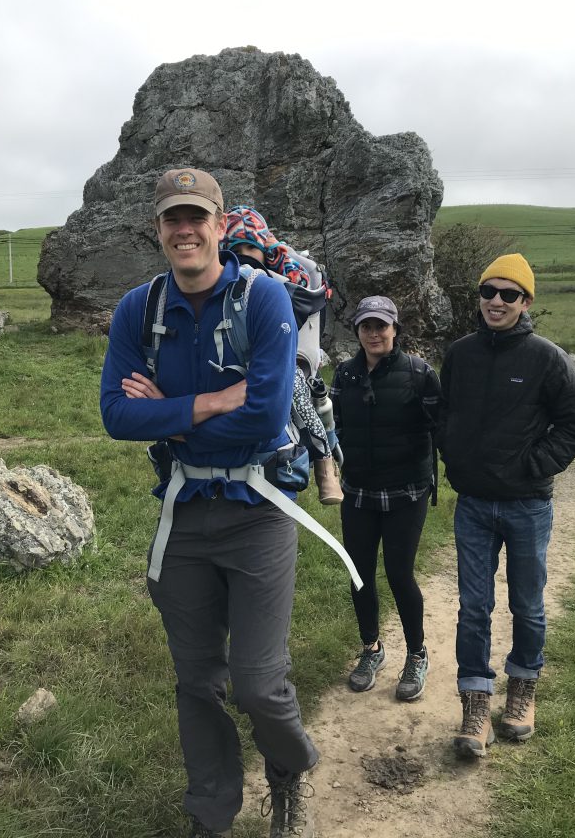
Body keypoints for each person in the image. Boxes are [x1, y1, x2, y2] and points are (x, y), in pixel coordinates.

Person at [100, 168, 318, 838]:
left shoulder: (264, 299)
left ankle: (289, 772)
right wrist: (207, 404)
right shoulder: (139, 309)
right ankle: (211, 816)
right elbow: (114, 414)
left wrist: (164, 413)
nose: (185, 230)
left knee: (258, 684)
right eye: (173, 219)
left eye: (198, 217)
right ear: (159, 229)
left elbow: (262, 421)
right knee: (197, 682)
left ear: (221, 225)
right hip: (184, 513)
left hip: (258, 511)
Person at [438, 253, 575, 758]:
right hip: (474, 504)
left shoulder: (548, 358)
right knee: (473, 608)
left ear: (526, 302)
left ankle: (522, 691)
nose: (496, 302)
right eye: (489, 292)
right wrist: (454, 457)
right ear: (479, 298)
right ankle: (476, 705)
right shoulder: (460, 354)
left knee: (526, 604)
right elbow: (446, 415)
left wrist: (534, 465)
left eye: (509, 294)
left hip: (527, 504)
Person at [329, 296, 441, 699]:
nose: (374, 334)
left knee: (398, 573)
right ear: (357, 331)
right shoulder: (345, 375)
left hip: (406, 491)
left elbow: (440, 427)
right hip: (358, 491)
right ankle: (371, 648)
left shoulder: (419, 373)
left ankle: (417, 654)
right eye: (366, 326)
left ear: (395, 329)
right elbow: (333, 427)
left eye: (381, 326)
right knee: (359, 573)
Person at [220, 204, 343, 506]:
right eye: (237, 248)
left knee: (294, 382)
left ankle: (325, 464)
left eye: (252, 246)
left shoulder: (287, 283)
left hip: (283, 361)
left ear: (265, 249)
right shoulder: (217, 280)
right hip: (230, 360)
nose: (245, 254)